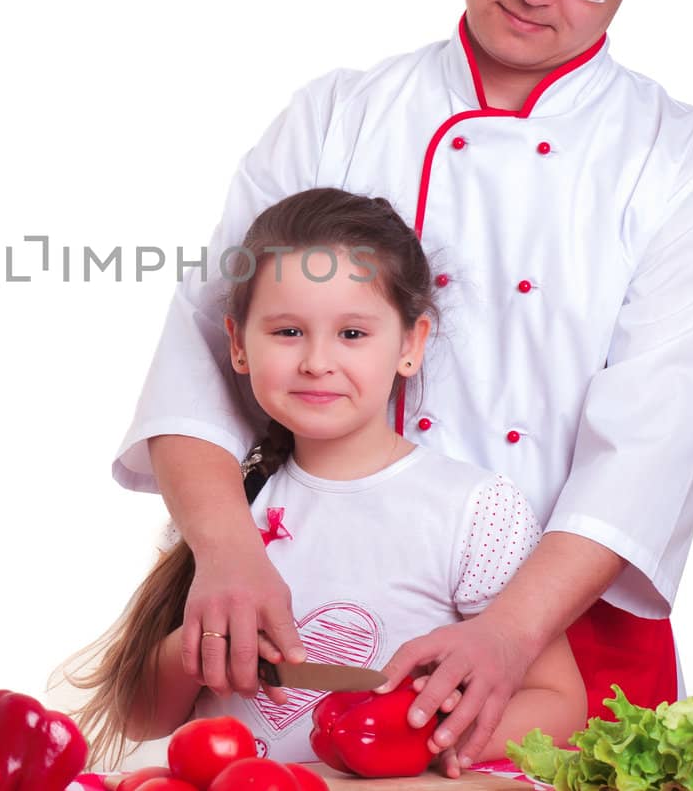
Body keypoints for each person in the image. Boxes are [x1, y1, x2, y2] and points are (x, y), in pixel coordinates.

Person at [112, 0, 693, 771]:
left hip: (564, 640)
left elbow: (647, 450)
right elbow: (201, 355)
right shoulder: (335, 119)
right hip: (308, 598)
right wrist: (229, 552)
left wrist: (507, 633)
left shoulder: (684, 170)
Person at [72, 189, 586, 770]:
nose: (317, 360)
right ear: (239, 344)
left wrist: (421, 738)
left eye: (352, 334)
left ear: (410, 344)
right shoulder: (226, 505)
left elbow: (561, 705)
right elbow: (141, 717)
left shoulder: (474, 509)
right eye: (288, 332)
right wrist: (200, 650)